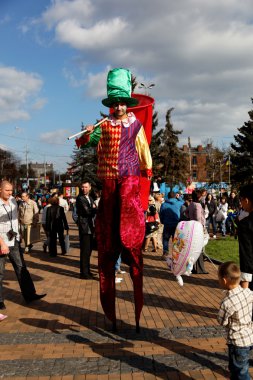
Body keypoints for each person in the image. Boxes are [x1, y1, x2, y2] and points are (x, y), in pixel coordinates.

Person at [75, 68, 152, 331]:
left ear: (127, 104)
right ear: (111, 105)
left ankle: (138, 312)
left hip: (128, 183)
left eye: (122, 102)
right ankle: (110, 314)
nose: (119, 106)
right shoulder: (103, 126)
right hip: (108, 185)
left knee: (132, 240)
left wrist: (146, 176)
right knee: (107, 248)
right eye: (115, 103)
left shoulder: (135, 125)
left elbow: (144, 151)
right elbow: (86, 143)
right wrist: (86, 133)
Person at [0, 180, 46, 309]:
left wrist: (19, 236)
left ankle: (30, 294)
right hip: (2, 242)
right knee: (0, 272)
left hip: (14, 240)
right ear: (0, 189)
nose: (10, 193)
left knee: (21, 268)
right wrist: (2, 244)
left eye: (11, 190)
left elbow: (17, 218)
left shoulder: (14, 201)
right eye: (7, 190)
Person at [217, 261, 253, 380]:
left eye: (219, 279)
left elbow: (221, 321)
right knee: (235, 367)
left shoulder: (227, 302)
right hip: (249, 336)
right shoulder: (248, 292)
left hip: (237, 342)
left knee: (241, 372)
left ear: (225, 280)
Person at [75, 181, 96, 279]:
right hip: (85, 228)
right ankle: (83, 273)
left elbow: (91, 210)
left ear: (90, 187)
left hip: (90, 227)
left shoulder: (90, 198)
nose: (84, 189)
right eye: (83, 187)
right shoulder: (80, 198)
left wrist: (94, 208)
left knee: (88, 251)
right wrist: (96, 209)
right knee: (85, 251)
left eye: (86, 187)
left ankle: (87, 271)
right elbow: (88, 212)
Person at [185, 190, 208, 274]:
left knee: (194, 248)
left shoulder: (191, 204)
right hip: (198, 228)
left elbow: (186, 212)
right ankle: (199, 269)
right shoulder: (197, 205)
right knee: (199, 248)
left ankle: (195, 267)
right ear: (199, 197)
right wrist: (200, 225)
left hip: (193, 227)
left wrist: (191, 219)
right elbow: (198, 217)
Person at [237, 184, 253, 289]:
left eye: (241, 200)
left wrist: (244, 281)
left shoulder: (245, 224)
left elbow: (246, 254)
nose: (240, 203)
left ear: (246, 200)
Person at [160, 191, 183, 257]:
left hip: (167, 223)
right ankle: (175, 253)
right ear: (175, 196)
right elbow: (184, 202)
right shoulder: (178, 203)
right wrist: (179, 198)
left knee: (165, 239)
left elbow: (161, 214)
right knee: (175, 239)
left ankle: (165, 252)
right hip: (176, 224)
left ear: (168, 196)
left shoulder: (164, 204)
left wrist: (162, 221)